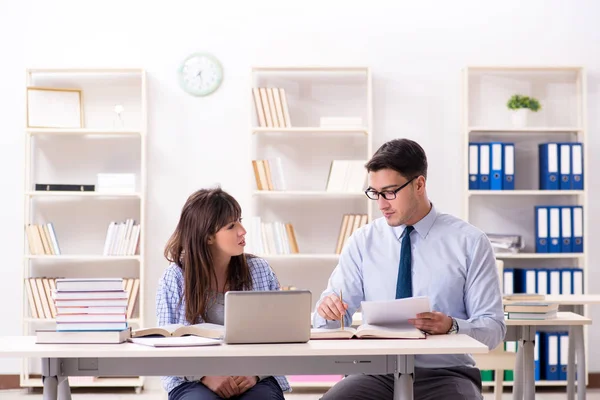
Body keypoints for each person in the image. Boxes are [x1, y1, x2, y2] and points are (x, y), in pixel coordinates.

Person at [314, 138, 506, 400]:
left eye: (390, 192)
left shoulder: (469, 242)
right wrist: (328, 312)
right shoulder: (363, 241)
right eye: (375, 193)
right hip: (374, 373)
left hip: (446, 373)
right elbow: (330, 323)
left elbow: (493, 329)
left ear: (419, 184)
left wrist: (452, 326)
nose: (381, 204)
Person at [156, 187, 288, 400]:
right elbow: (165, 345)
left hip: (254, 376)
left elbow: (280, 334)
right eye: (231, 226)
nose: (243, 230)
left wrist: (255, 373)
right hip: (193, 380)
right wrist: (205, 376)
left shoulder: (259, 270)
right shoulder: (175, 278)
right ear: (208, 237)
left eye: (240, 221)